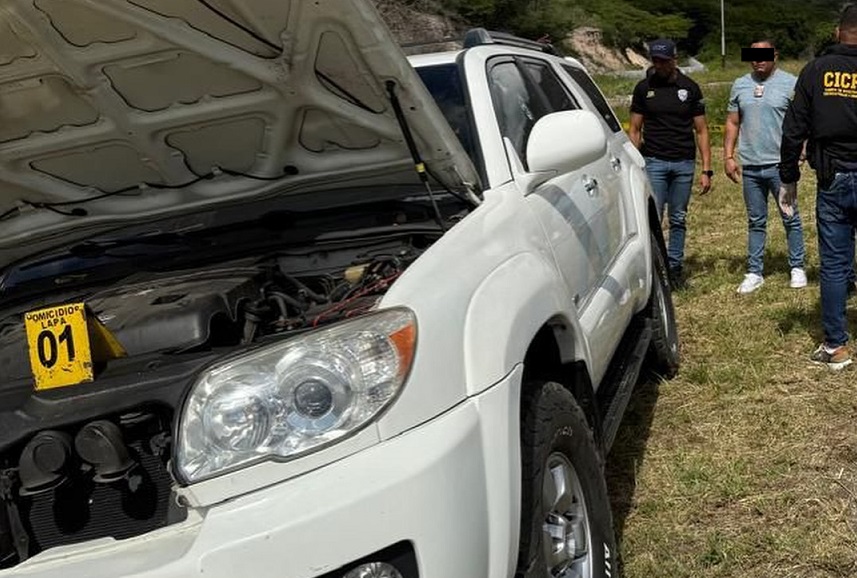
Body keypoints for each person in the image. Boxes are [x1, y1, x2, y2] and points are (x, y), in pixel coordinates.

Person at [779, 3, 857, 369]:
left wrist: (788, 177)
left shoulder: (815, 70)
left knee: (835, 264)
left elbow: (794, 128)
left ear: (837, 31)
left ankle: (836, 347)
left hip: (834, 178)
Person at [724, 40, 807, 294]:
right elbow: (732, 122)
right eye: (754, 56)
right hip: (751, 165)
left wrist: (802, 150)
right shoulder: (740, 85)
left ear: (775, 56)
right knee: (755, 220)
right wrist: (728, 155)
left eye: (764, 55)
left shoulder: (791, 83)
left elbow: (803, 119)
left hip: (781, 165)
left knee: (790, 216)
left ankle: (797, 266)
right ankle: (755, 271)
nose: (758, 60)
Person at [629, 38, 712, 290]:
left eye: (664, 60)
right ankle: (656, 269)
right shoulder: (644, 89)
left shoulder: (690, 88)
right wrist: (635, 163)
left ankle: (674, 269)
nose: (660, 65)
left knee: (678, 218)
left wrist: (707, 168)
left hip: (684, 164)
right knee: (654, 219)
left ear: (674, 59)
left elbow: (702, 130)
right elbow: (634, 129)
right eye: (656, 60)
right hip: (654, 162)